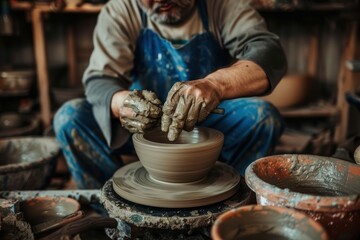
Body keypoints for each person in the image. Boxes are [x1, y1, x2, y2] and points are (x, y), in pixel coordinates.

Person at [54, 0, 287, 189]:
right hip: (142, 124)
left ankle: (224, 210)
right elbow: (99, 81)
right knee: (69, 117)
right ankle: (112, 214)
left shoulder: (222, 6)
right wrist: (122, 103)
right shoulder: (122, 9)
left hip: (207, 119)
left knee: (263, 117)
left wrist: (215, 85)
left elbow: (269, 53)